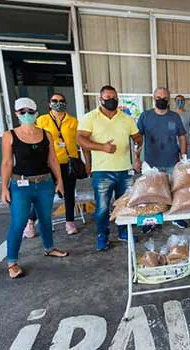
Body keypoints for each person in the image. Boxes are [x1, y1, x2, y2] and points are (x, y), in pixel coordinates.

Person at [1, 97, 68, 279]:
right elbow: (7, 162)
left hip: (44, 182)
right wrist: (4, 187)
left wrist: (59, 180)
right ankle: (12, 261)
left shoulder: (46, 134)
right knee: (19, 221)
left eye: (30, 112)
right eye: (22, 112)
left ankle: (49, 247)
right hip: (21, 184)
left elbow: (52, 159)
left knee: (45, 218)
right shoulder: (10, 136)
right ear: (16, 114)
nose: (27, 115)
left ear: (36, 113)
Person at [78, 85, 143, 251]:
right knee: (102, 208)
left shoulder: (126, 118)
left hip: (124, 170)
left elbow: (137, 136)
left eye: (114, 97)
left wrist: (137, 142)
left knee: (124, 205)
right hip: (102, 171)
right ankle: (102, 236)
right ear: (100, 99)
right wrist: (102, 147)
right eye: (107, 98)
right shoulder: (90, 117)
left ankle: (123, 232)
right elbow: (80, 140)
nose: (111, 100)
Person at [23, 93, 80, 238]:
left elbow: (80, 141)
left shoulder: (73, 121)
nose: (58, 103)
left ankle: (69, 222)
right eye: (55, 101)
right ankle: (30, 222)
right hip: (48, 164)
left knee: (68, 193)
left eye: (61, 101)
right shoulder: (42, 120)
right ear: (49, 104)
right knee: (43, 194)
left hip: (68, 163)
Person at [136, 87, 188, 229]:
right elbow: (137, 138)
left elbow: (182, 137)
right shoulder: (145, 116)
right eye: (158, 98)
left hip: (172, 161)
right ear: (154, 99)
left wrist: (183, 157)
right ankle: (150, 220)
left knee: (172, 191)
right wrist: (136, 157)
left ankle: (175, 217)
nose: (161, 100)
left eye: (164, 98)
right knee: (150, 193)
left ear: (168, 99)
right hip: (151, 163)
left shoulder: (174, 117)